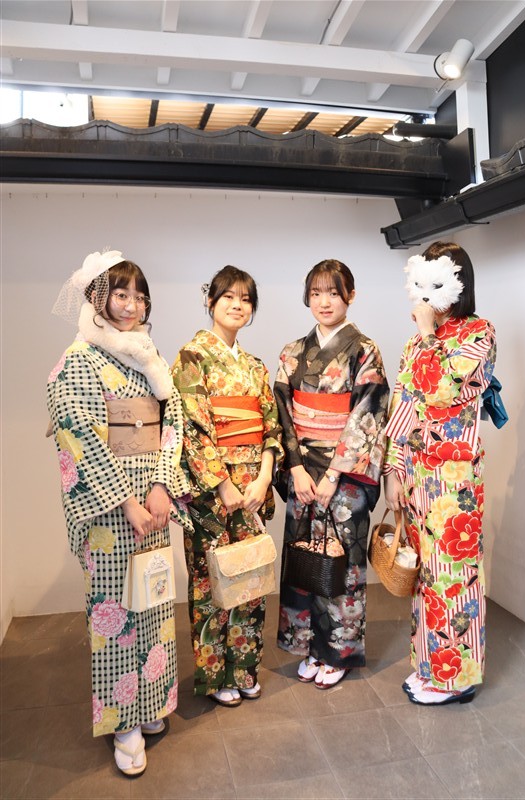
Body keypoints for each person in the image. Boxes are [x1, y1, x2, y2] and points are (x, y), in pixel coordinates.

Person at [47, 250, 191, 776]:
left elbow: (172, 418)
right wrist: (126, 500)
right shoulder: (79, 359)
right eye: (121, 294)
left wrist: (160, 486)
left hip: (152, 503)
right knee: (115, 612)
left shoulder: (148, 355)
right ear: (97, 298)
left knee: (153, 600)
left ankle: (150, 703)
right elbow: (78, 435)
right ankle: (122, 722)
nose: (132, 306)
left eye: (139, 296)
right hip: (112, 510)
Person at [383, 240, 497, 706]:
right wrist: (393, 469)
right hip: (416, 473)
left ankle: (458, 679)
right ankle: (430, 666)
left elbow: (443, 387)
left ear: (458, 283)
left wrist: (429, 332)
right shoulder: (416, 341)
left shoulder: (479, 332)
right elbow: (404, 401)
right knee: (426, 576)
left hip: (454, 476)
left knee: (454, 573)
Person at [171, 266, 283, 707]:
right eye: (228, 297)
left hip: (253, 487)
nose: (237, 305)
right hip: (213, 493)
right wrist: (221, 485)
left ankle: (246, 669)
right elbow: (191, 428)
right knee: (211, 580)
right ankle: (216, 675)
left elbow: (271, 426)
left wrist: (265, 476)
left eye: (245, 299)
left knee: (251, 576)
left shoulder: (255, 366)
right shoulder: (192, 357)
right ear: (211, 302)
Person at [275, 259, 389, 688]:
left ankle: (337, 652)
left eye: (334, 293)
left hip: (344, 477)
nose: (324, 302)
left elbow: (367, 415)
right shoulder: (292, 352)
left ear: (350, 297)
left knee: (342, 563)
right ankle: (308, 645)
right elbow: (282, 414)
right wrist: (296, 468)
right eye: (316, 293)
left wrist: (334, 474)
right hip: (303, 473)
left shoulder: (365, 350)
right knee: (304, 556)